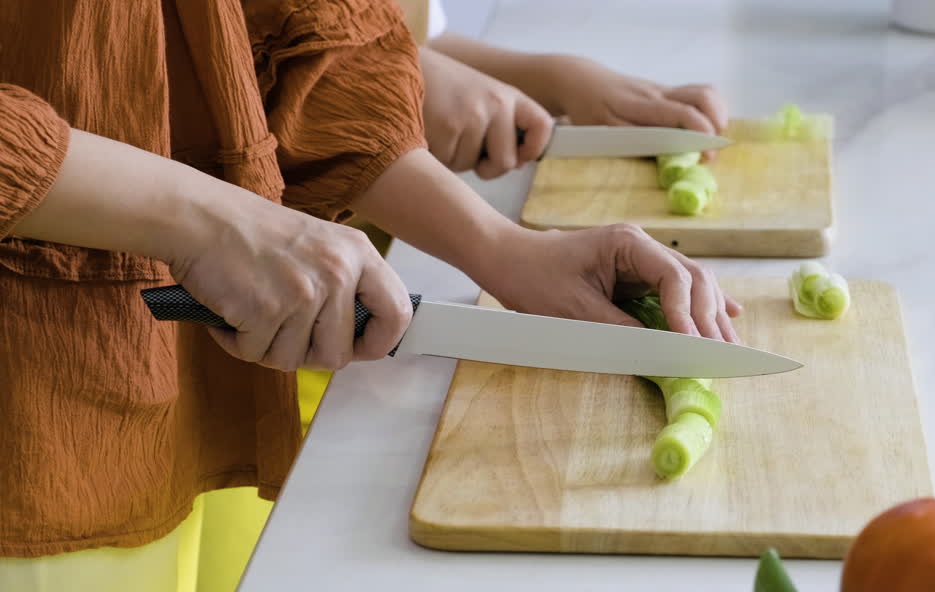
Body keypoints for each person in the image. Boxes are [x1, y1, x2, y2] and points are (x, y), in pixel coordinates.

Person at [0, 1, 738, 592]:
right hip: (37, 416)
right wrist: (211, 221)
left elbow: (287, 23)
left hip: (212, 387)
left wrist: (502, 249)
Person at [295, 0, 730, 432]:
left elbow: (376, 31)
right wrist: (499, 247)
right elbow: (287, 62)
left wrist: (556, 78)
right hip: (295, 334)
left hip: (353, 278)